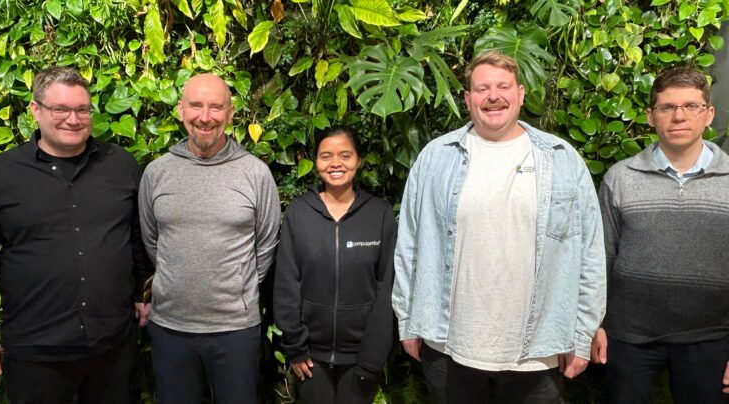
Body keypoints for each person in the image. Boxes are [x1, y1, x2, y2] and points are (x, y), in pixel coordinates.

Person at [391, 50, 606, 403]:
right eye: (482, 88)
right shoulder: (436, 157)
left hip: (538, 351)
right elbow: (409, 244)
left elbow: (589, 254)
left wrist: (582, 335)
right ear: (468, 99)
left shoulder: (562, 158)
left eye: (503, 87)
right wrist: (407, 319)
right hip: (447, 344)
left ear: (520, 94)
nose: (493, 96)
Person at [0, 66, 149, 403]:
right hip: (35, 352)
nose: (73, 120)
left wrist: (140, 292)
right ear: (36, 109)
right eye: (60, 109)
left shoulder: (121, 165)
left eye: (82, 110)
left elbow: (135, 237)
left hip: (113, 346)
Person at [137, 73, 281, 404]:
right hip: (170, 327)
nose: (205, 117)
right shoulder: (157, 173)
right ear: (180, 110)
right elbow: (151, 240)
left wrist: (237, 285)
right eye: (196, 106)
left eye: (216, 107)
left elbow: (266, 245)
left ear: (230, 114)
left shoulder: (255, 174)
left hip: (235, 329)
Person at [591, 66, 729, 403]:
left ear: (709, 114)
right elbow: (600, 257)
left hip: (711, 335)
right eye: (667, 107)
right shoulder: (621, 178)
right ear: (651, 116)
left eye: (691, 106)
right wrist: (595, 324)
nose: (679, 116)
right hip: (629, 336)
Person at [273, 127, 397, 403]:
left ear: (359, 160)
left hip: (362, 357)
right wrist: (295, 347)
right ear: (316, 161)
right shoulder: (298, 213)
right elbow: (286, 283)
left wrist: (374, 356)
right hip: (310, 357)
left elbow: (386, 289)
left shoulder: (379, 214)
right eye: (326, 156)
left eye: (345, 155)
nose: (335, 163)